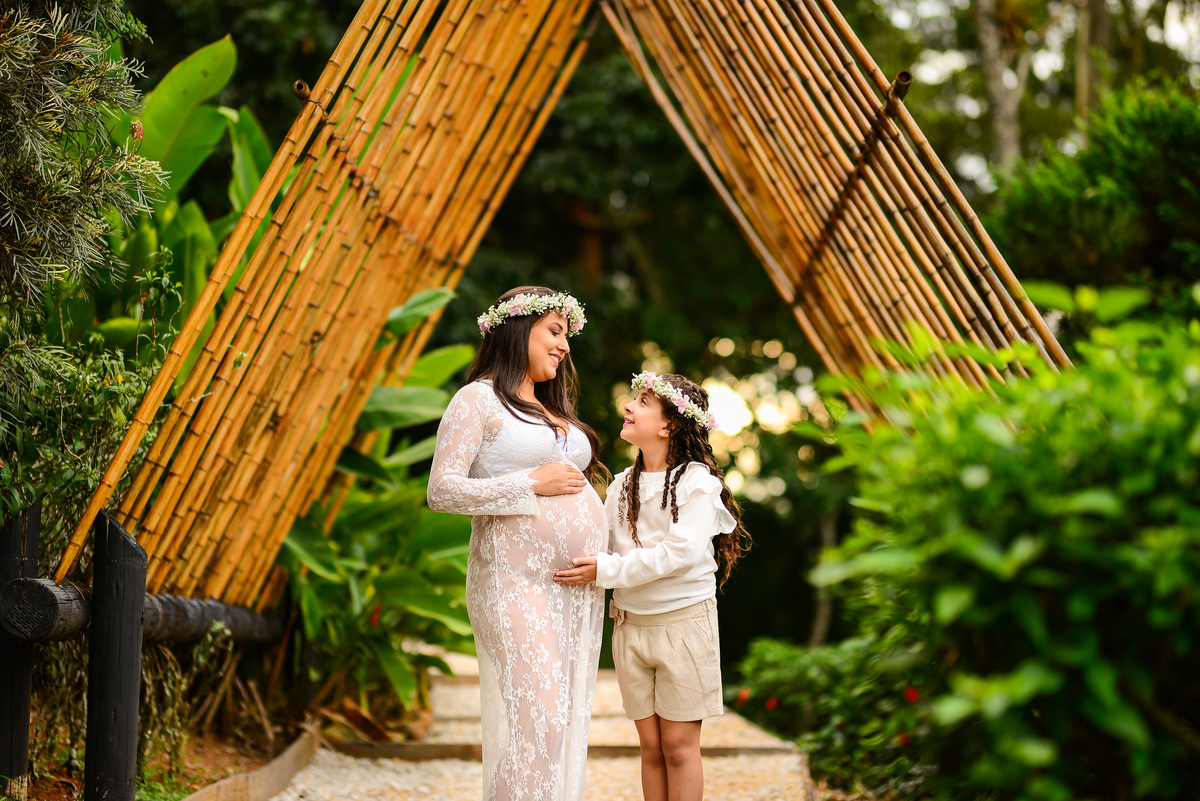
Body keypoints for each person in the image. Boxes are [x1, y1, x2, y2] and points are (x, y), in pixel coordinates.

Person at [427, 286, 608, 801]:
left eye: (566, 336)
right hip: (511, 580)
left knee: (556, 726)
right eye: (555, 331)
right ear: (515, 329)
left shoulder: (553, 408)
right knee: (540, 718)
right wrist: (531, 484)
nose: (565, 346)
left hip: (571, 589)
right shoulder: (476, 400)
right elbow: (441, 491)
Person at [553, 372, 750, 801]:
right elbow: (598, 544)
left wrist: (604, 571)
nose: (629, 406)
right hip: (630, 627)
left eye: (643, 401)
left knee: (679, 748)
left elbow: (676, 555)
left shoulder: (697, 482)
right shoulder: (622, 484)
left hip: (683, 627)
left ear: (669, 425)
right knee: (651, 749)